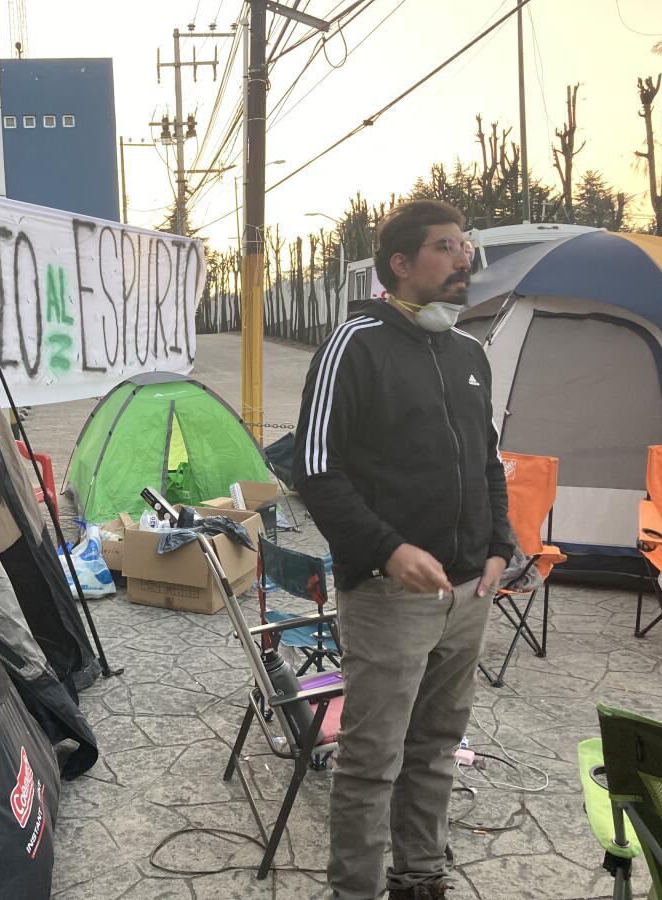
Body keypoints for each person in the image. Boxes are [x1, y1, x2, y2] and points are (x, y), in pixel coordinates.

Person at [292, 199, 512, 900]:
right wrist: (387, 552)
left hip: (469, 593)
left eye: (463, 248)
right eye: (446, 248)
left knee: (437, 750)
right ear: (400, 264)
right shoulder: (353, 345)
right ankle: (354, 889)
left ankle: (419, 878)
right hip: (391, 598)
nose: (462, 260)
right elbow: (315, 470)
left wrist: (499, 549)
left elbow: (488, 464)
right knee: (371, 760)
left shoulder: (469, 353)